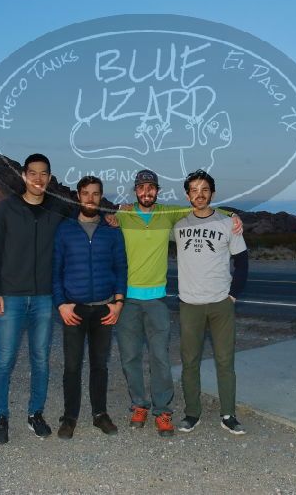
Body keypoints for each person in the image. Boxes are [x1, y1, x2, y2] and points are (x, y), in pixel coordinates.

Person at [115, 169, 242, 438]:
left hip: (159, 299)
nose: (146, 192)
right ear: (135, 191)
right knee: (130, 357)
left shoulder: (168, 214)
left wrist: (233, 214)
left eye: (151, 188)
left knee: (162, 358)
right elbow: (105, 225)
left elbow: (204, 210)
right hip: (128, 300)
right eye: (141, 188)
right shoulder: (123, 216)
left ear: (158, 191)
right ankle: (139, 405)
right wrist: (113, 213)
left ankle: (164, 411)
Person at [0, 153, 73, 444]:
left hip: (44, 298)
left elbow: (85, 220)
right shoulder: (7, 208)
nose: (38, 179)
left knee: (41, 359)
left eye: (43, 174)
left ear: (49, 177)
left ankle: (35, 413)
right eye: (32, 173)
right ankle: (0, 417)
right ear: (24, 176)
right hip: (10, 296)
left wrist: (110, 217)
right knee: (4, 359)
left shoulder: (58, 210)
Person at [173, 170, 249, 435]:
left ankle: (228, 414)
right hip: (190, 304)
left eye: (204, 189)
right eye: (194, 190)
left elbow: (242, 261)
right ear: (187, 195)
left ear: (212, 194)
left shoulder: (227, 224)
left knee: (225, 361)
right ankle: (192, 413)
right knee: (190, 360)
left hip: (220, 303)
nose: (199, 194)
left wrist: (233, 294)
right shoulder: (178, 225)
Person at [52, 175, 127, 439]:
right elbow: (56, 271)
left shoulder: (111, 229)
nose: (90, 198)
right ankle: (69, 416)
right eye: (86, 193)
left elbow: (120, 268)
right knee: (72, 366)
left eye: (96, 194)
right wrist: (61, 304)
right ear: (78, 196)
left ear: (100, 196)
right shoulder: (65, 229)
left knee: (100, 365)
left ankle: (99, 414)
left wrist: (118, 303)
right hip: (74, 309)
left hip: (105, 309)